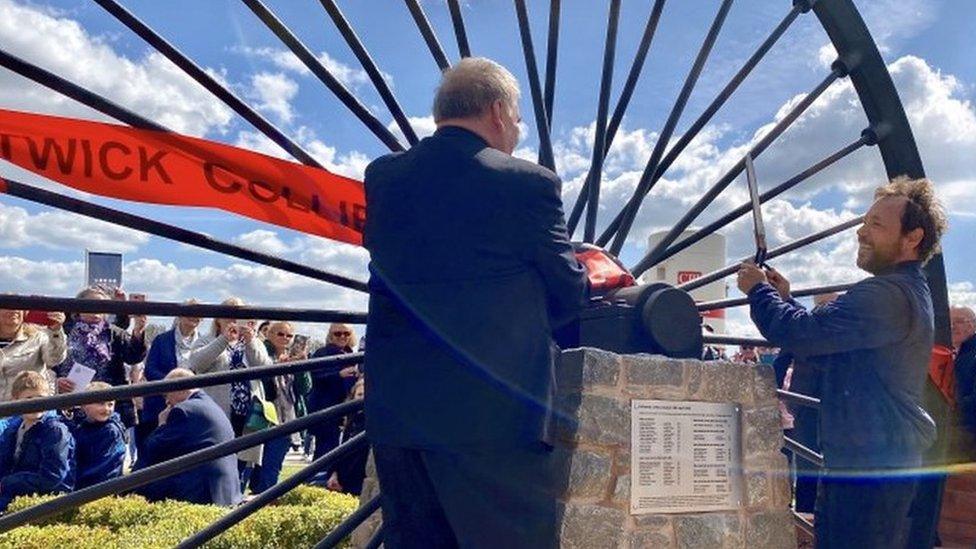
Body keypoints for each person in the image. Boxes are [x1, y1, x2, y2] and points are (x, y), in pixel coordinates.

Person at [363, 57, 588, 547]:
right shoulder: (529, 183)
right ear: (499, 110)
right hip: (495, 420)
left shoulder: (383, 177)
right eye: (519, 119)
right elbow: (568, 291)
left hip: (400, 415)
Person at [738, 176, 947, 548]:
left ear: (912, 238)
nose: (862, 233)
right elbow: (827, 339)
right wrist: (783, 299)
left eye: (876, 225)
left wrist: (759, 291)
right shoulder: (901, 292)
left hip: (871, 470)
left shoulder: (885, 295)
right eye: (865, 222)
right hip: (872, 462)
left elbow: (802, 335)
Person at [187, 297, 270, 476]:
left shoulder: (254, 342)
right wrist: (223, 340)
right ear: (218, 319)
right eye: (228, 316)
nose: (233, 322)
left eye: (239, 317)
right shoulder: (206, 340)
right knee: (217, 460)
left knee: (243, 461)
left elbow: (264, 368)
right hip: (218, 410)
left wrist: (252, 342)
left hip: (249, 413)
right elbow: (196, 364)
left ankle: (237, 498)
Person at [134, 368, 240, 506]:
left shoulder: (184, 410)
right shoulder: (207, 403)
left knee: (140, 484)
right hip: (224, 488)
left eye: (166, 395)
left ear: (180, 389)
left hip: (203, 488)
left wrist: (161, 424)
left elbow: (152, 450)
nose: (166, 402)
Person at [54, 287, 146, 429]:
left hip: (108, 406)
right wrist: (55, 382)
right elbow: (49, 363)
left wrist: (138, 331)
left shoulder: (113, 332)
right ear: (78, 307)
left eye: (102, 305)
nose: (96, 309)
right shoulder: (63, 330)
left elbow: (133, 357)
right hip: (71, 403)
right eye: (91, 304)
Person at [0, 371, 75, 511]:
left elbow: (52, 477)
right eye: (28, 398)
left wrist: (6, 483)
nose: (35, 403)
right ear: (15, 400)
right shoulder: (13, 428)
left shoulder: (55, 430)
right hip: (17, 492)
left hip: (47, 498)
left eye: (40, 398)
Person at [248, 321, 309, 494]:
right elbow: (262, 385)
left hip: (286, 419)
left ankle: (265, 499)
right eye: (280, 334)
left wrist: (301, 367)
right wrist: (277, 367)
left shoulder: (294, 357)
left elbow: (304, 389)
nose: (285, 338)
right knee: (250, 465)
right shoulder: (261, 352)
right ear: (269, 334)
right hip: (262, 416)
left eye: (289, 335)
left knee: (272, 467)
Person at [136, 302, 203, 453]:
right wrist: (173, 384)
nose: (194, 317)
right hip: (158, 404)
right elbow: (150, 370)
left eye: (199, 313)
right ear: (179, 315)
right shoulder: (162, 340)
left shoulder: (203, 343)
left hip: (189, 406)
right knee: (152, 450)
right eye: (189, 312)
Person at [307, 323, 359, 464]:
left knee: (341, 451)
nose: (342, 337)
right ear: (330, 335)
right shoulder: (322, 353)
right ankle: (316, 481)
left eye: (346, 333)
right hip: (326, 408)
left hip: (346, 408)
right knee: (325, 451)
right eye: (338, 333)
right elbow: (317, 377)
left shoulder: (352, 355)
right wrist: (339, 374)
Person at [67, 381, 126, 489]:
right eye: (101, 403)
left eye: (110, 404)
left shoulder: (110, 431)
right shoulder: (83, 427)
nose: (106, 409)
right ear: (84, 405)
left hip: (100, 487)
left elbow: (104, 467)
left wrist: (75, 482)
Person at [0, 306, 66, 402]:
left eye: (17, 307)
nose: (13, 310)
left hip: (29, 409)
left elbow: (55, 359)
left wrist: (56, 331)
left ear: (25, 312)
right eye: (7, 306)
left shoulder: (38, 336)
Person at [326, 378, 367, 496]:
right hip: (342, 480)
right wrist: (334, 474)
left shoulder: (370, 425)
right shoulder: (351, 421)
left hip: (355, 483)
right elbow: (341, 451)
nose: (362, 398)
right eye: (360, 394)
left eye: (366, 394)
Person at [951, 306, 976, 458]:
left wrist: (948, 410)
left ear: (973, 324)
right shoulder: (945, 353)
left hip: (968, 437)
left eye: (959, 321)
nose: (952, 326)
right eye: (949, 322)